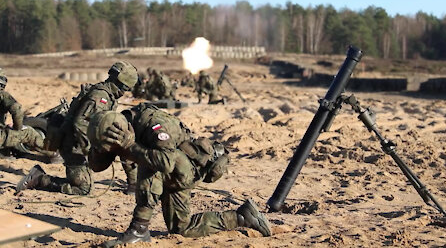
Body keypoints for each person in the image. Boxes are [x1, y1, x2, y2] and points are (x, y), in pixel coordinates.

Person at [86, 103, 271, 247]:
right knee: (183, 229)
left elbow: (165, 163)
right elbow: (97, 166)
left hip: (185, 169)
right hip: (173, 174)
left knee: (151, 166)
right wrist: (99, 152)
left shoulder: (155, 125)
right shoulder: (119, 127)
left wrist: (130, 146)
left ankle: (139, 229)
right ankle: (242, 217)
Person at [17, 61, 139, 195]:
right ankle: (39, 178)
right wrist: (90, 149)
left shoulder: (108, 95)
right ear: (122, 85)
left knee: (124, 142)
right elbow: (79, 123)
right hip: (73, 146)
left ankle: (133, 184)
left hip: (79, 143)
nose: (125, 92)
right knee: (83, 189)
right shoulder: (100, 97)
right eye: (126, 89)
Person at [0, 69, 44, 154]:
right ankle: (54, 155)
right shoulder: (2, 95)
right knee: (29, 133)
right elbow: (16, 108)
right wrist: (18, 128)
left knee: (5, 130)